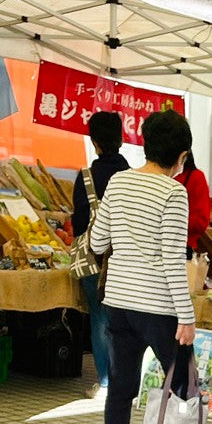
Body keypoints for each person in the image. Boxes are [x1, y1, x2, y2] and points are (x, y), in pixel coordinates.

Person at [91, 109, 212, 424]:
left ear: (145, 145)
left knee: (121, 386)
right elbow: (174, 259)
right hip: (158, 307)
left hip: (118, 303)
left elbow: (96, 242)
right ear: (182, 155)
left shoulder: (119, 183)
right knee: (186, 382)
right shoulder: (174, 191)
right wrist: (187, 319)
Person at [71, 111, 128, 388]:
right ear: (121, 138)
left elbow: (80, 223)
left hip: (94, 261)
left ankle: (106, 381)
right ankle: (130, 377)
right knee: (129, 319)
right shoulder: (133, 176)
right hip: (129, 258)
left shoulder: (86, 177)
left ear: (94, 142)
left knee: (99, 317)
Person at [174, 146, 212, 255]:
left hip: (183, 244)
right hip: (180, 242)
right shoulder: (178, 177)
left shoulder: (195, 176)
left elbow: (200, 220)